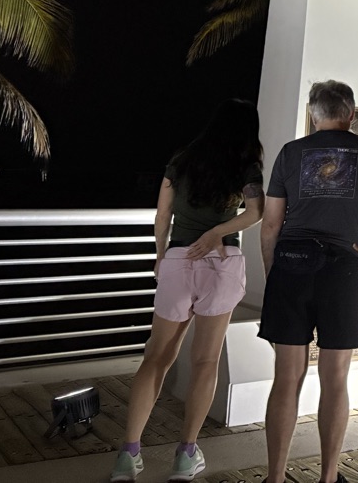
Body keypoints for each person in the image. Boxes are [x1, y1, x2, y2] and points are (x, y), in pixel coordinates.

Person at [258, 79, 358, 483]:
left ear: (313, 117)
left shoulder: (291, 153)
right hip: (344, 272)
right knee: (335, 380)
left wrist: (274, 273)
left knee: (286, 379)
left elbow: (271, 223)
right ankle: (328, 478)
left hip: (291, 266)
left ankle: (275, 478)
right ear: (350, 115)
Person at [111, 98, 265, 483]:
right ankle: (185, 456)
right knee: (205, 362)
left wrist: (161, 255)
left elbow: (162, 215)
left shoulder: (182, 160)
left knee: (156, 358)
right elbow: (256, 211)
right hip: (222, 261)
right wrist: (216, 232)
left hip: (178, 262)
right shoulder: (245, 164)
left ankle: (128, 456)